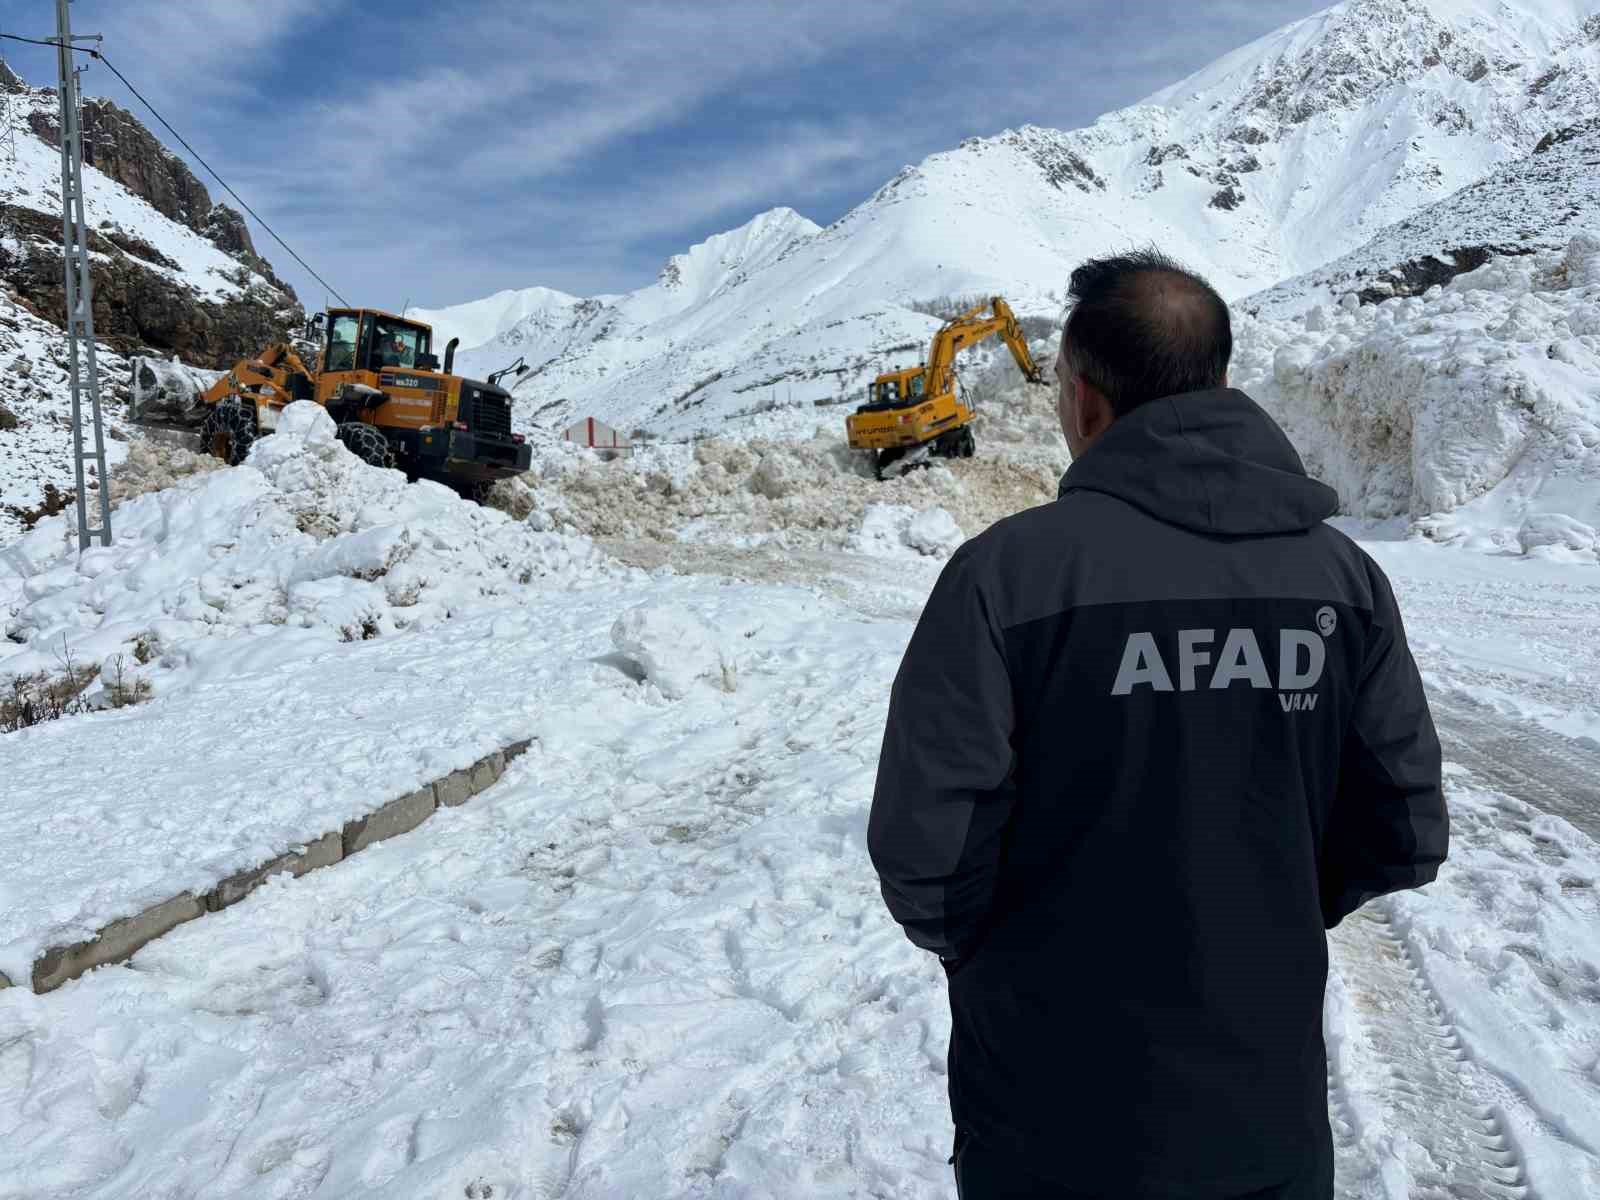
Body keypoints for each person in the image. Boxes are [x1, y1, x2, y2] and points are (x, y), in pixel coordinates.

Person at [867, 249, 1448, 1199]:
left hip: (1047, 1120)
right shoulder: (1346, 582)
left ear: (1084, 398)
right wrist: (1261, 913)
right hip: (1266, 1124)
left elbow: (926, 859)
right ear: (1221, 383)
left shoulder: (1004, 578)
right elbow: (1404, 827)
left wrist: (1006, 958)